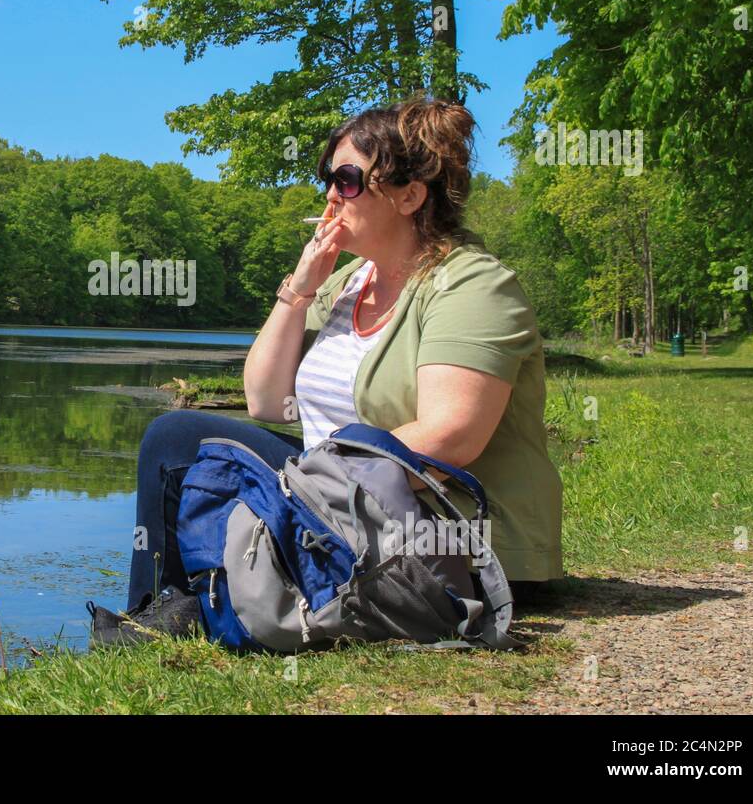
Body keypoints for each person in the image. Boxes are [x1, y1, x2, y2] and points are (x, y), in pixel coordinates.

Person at [91, 97, 563, 646]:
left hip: (437, 538)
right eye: (328, 177)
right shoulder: (348, 285)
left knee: (198, 452)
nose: (332, 194)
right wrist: (300, 287)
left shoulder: (472, 286)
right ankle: (162, 609)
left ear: (410, 195)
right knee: (176, 439)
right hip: (334, 502)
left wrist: (300, 490)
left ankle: (212, 607)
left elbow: (451, 436)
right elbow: (266, 400)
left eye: (348, 179)